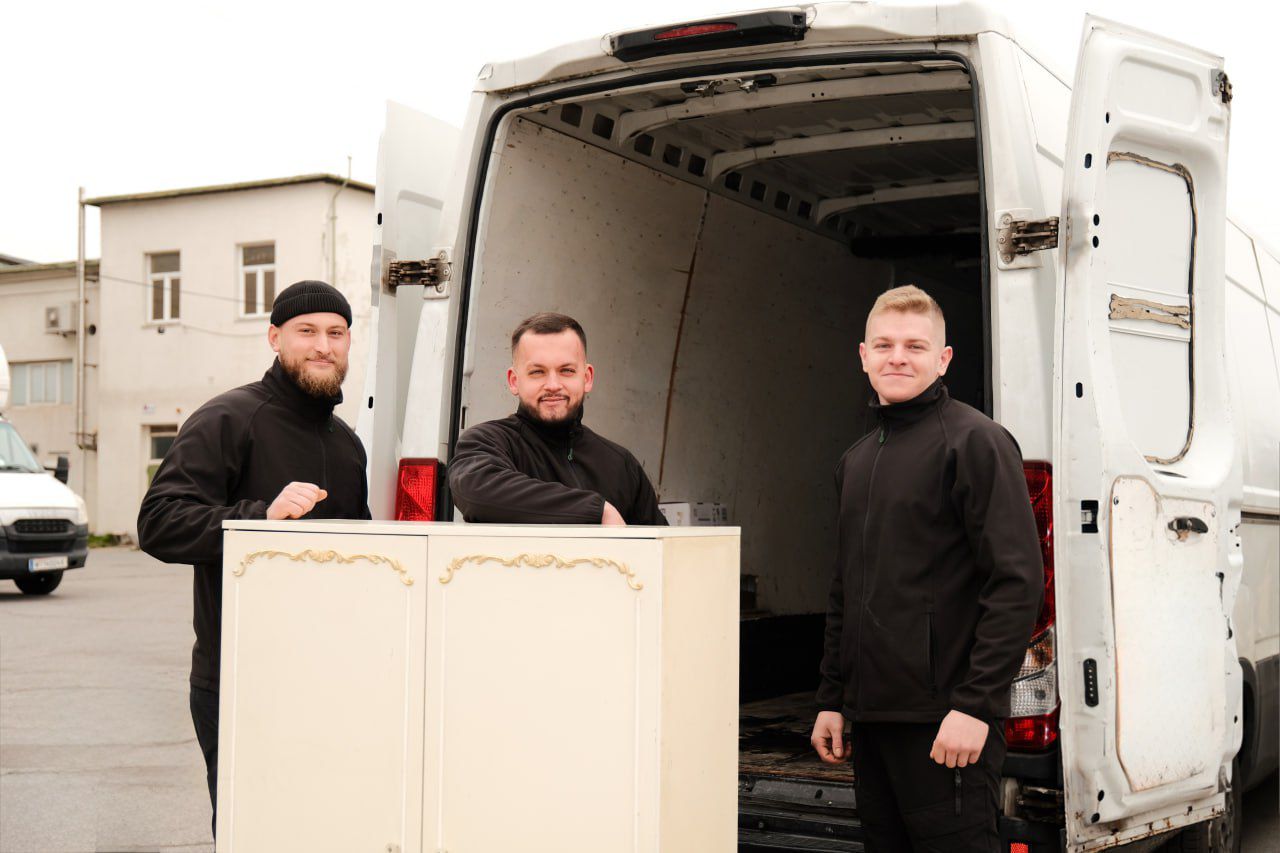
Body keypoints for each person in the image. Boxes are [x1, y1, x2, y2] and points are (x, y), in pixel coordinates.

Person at [810, 285, 1043, 851]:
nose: (897, 357)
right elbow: (847, 589)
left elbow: (1016, 583)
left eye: (915, 346)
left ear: (943, 360)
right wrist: (832, 700)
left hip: (947, 727)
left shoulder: (976, 443)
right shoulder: (857, 460)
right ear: (862, 356)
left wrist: (976, 707)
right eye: (884, 345)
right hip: (872, 723)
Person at [137, 280, 371, 836]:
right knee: (254, 831)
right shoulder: (228, 418)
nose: (323, 345)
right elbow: (158, 521)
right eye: (306, 331)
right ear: (274, 338)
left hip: (329, 678)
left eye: (336, 333)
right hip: (240, 678)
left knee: (324, 829)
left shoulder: (348, 443)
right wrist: (258, 517)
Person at [448, 311, 665, 526]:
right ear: (514, 381)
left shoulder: (621, 465)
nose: (553, 385)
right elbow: (477, 491)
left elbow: (659, 551)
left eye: (567, 370)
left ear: (587, 378)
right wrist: (598, 510)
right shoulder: (486, 442)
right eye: (537, 372)